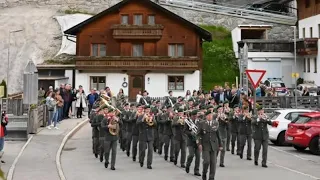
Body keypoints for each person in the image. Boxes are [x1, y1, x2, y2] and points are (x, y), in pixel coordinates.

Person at [197, 111, 222, 180]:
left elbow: (218, 134)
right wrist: (199, 144)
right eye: (208, 115)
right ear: (206, 116)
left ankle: (211, 177)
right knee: (206, 161)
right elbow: (198, 134)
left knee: (213, 163)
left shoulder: (216, 123)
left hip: (214, 145)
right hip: (205, 145)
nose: (210, 117)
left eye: (211, 115)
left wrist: (220, 145)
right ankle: (204, 173)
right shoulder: (202, 123)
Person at [184, 110, 201, 176]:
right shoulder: (187, 122)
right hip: (190, 140)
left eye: (196, 116)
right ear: (191, 116)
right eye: (194, 116)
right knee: (191, 155)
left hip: (198, 141)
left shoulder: (199, 121)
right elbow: (185, 131)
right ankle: (187, 165)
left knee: (198, 156)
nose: (195, 117)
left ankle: (196, 170)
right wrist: (190, 133)